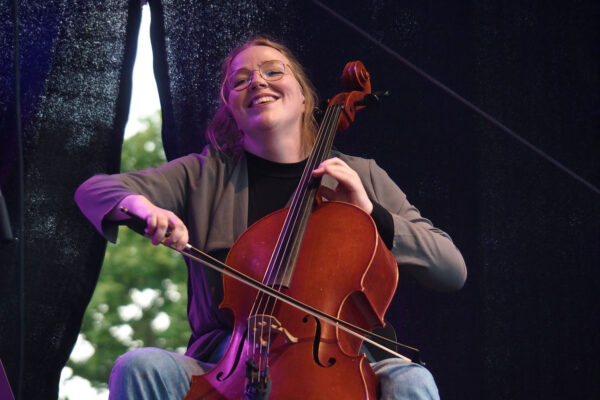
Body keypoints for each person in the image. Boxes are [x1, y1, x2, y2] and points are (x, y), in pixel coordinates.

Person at [75, 36, 466, 399]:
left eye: (273, 71)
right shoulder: (205, 174)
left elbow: (451, 268)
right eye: (240, 80)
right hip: (228, 364)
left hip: (345, 360)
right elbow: (94, 191)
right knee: (140, 366)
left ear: (303, 97)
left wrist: (370, 212)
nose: (257, 81)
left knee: (412, 379)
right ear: (231, 107)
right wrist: (144, 208)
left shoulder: (361, 174)